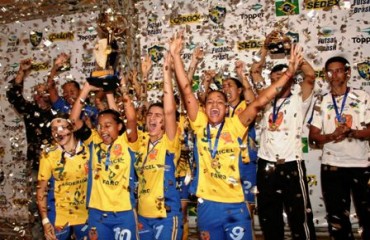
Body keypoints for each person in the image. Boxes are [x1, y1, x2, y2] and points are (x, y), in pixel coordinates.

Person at [169, 31, 303, 240]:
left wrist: (289, 73)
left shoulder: (235, 124)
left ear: (226, 108)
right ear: (204, 107)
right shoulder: (199, 123)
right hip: (207, 207)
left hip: (236, 205)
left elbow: (259, 101)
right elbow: (186, 90)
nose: (214, 104)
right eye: (210, 101)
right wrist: (176, 56)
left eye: (220, 102)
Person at [251, 32, 317, 240]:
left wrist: (291, 51)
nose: (277, 84)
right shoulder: (265, 98)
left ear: (289, 78)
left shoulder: (299, 96)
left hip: (291, 163)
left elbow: (311, 76)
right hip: (266, 164)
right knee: (269, 217)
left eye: (282, 79)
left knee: (299, 216)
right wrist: (264, 47)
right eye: (273, 80)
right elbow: (254, 71)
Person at [309, 56, 370, 240]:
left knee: (367, 215)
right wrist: (332, 136)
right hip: (332, 165)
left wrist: (351, 132)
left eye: (338, 70)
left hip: (361, 165)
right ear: (325, 75)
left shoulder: (362, 96)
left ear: (347, 72)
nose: (334, 75)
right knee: (337, 219)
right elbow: (313, 136)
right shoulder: (322, 101)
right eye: (329, 71)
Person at [69, 80, 139, 240]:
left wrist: (123, 89)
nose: (103, 130)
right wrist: (86, 89)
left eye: (108, 125)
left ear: (119, 127)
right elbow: (73, 121)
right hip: (97, 213)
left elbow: (132, 119)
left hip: (124, 213)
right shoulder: (94, 141)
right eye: (100, 126)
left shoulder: (128, 143)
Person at [135, 53, 183, 240]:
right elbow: (138, 110)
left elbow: (170, 110)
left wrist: (166, 70)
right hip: (142, 215)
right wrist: (144, 77)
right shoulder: (141, 141)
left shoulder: (170, 141)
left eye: (158, 115)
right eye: (150, 115)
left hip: (166, 213)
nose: (152, 118)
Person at [6, 58, 55, 239]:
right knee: (35, 207)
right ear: (35, 96)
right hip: (36, 166)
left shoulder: (59, 112)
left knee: (60, 206)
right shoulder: (30, 111)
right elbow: (14, 96)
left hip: (59, 169)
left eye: (46, 92)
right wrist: (21, 72)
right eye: (39, 92)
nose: (42, 95)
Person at [37, 116, 89, 240]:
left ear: (72, 128)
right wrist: (45, 220)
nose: (58, 132)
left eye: (62, 128)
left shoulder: (88, 150)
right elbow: (41, 190)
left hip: (85, 214)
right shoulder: (48, 154)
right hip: (58, 215)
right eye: (54, 129)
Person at [47, 53, 98, 124]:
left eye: (72, 92)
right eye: (66, 93)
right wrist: (55, 67)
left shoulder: (92, 110)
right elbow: (50, 87)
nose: (69, 95)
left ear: (80, 92)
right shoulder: (62, 105)